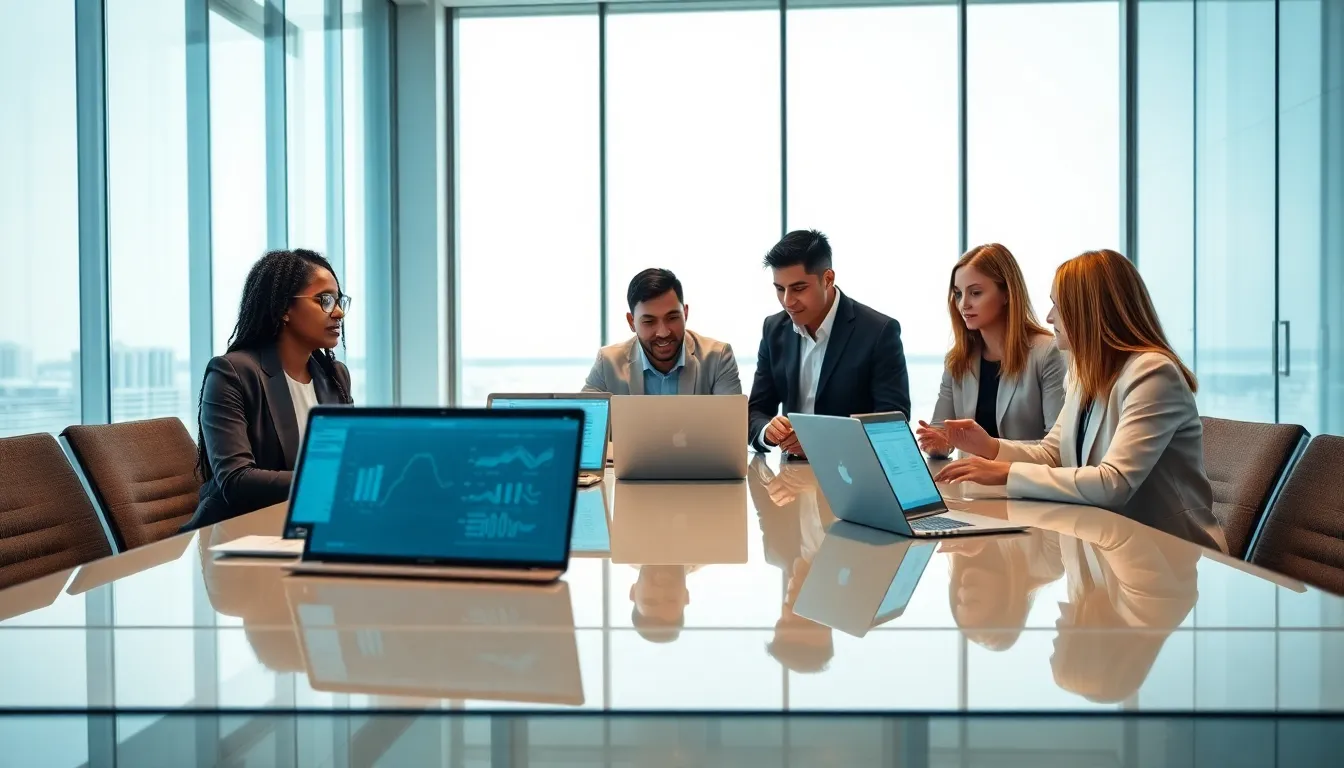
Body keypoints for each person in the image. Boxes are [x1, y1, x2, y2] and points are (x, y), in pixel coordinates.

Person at [932, 250, 1226, 552]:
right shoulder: (1082, 374)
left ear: (1090, 311)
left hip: (1167, 555)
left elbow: (1113, 484)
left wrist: (1007, 473)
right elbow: (1053, 454)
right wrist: (991, 447)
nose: (1049, 317)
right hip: (1105, 545)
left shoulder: (1152, 374)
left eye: (1058, 306)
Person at [185, 249, 353, 531]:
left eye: (339, 301)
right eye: (324, 300)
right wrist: (328, 481)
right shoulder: (232, 373)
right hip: (235, 536)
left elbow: (344, 462)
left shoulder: (334, 376)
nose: (338, 312)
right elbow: (236, 480)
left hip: (305, 526)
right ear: (284, 309)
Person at [748, 230, 910, 458]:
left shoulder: (878, 332)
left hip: (853, 473)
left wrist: (819, 443)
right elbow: (756, 411)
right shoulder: (774, 328)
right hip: (790, 478)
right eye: (780, 288)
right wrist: (768, 431)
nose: (788, 301)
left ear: (828, 279)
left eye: (798, 288)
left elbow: (892, 422)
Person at [915, 244, 1066, 458]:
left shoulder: (1047, 352)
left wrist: (988, 446)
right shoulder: (958, 360)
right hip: (970, 487)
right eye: (958, 294)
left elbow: (1058, 448)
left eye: (975, 293)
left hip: (1025, 486)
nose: (963, 304)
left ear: (1007, 294)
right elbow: (940, 436)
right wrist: (936, 443)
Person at [583, 268, 741, 395]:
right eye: (649, 321)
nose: (663, 332)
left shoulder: (718, 357)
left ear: (685, 314)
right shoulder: (608, 363)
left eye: (672, 318)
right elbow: (587, 428)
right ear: (632, 322)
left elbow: (732, 431)